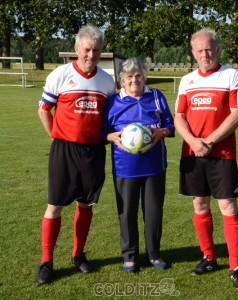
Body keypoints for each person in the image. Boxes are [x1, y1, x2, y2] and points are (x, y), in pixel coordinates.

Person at [36, 24, 116, 284]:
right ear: (76, 50)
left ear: (101, 51)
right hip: (64, 150)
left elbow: (111, 117)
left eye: (96, 50)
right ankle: (46, 261)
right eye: (86, 50)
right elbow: (43, 110)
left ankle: (78, 255)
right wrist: (55, 135)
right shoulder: (60, 74)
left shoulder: (106, 81)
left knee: (86, 203)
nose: (91, 55)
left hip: (93, 151)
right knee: (55, 205)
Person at [174, 28, 238, 289]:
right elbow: (179, 118)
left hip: (222, 155)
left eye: (209, 49)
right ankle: (208, 256)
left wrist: (209, 141)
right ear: (193, 53)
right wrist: (194, 142)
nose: (205, 54)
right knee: (200, 205)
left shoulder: (231, 76)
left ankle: (236, 265)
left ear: (217, 49)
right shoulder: (186, 81)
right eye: (199, 50)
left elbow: (237, 114)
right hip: (193, 153)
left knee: (227, 206)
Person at [103, 57, 175, 272]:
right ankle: (130, 256)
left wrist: (160, 131)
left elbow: (170, 125)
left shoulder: (156, 97)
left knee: (153, 212)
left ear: (144, 77)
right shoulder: (113, 101)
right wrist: (112, 136)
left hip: (154, 167)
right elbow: (101, 131)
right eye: (129, 77)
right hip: (125, 167)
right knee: (127, 213)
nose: (134, 80)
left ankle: (154, 254)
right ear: (122, 80)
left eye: (138, 76)